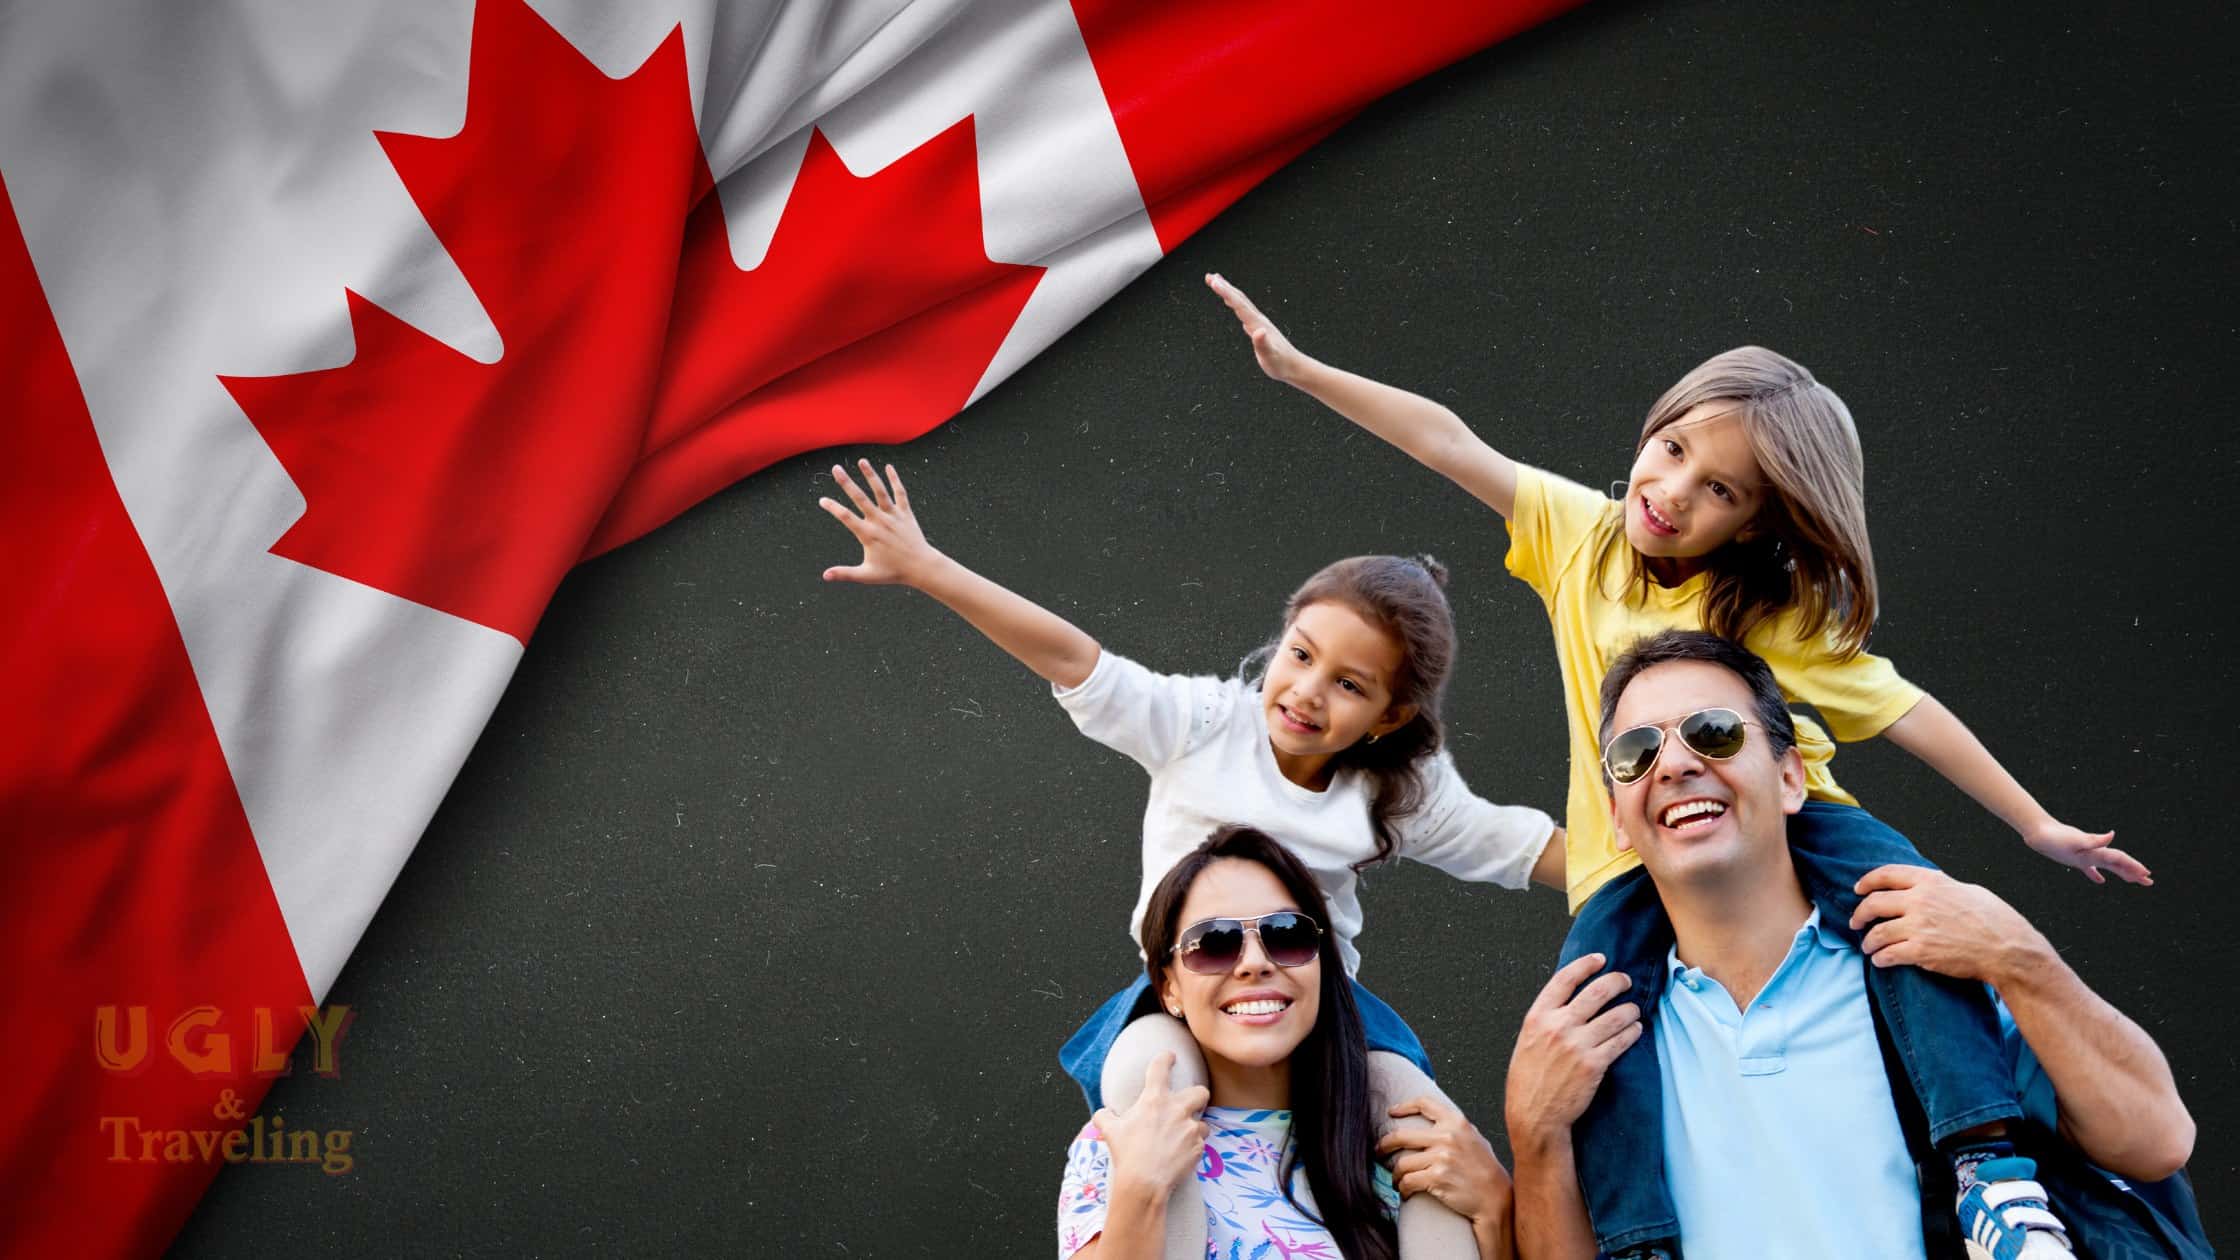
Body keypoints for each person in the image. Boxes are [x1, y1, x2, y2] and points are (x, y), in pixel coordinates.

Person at [1207, 275, 2144, 1256]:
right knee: (1589, 1035)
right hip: (1627, 853)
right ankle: (1641, 1241)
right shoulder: (1581, 539)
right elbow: (1449, 442)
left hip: (1794, 827)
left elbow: (1907, 712)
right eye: (1670, 451)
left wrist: (2033, 823)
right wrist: (1303, 371)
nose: (1671, 493)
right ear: (1650, 432)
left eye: (1719, 491)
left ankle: (1986, 1171)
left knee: (1915, 926)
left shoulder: (1763, 616)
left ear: (1753, 523)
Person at [817, 460, 1563, 1257]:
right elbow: (1077, 662)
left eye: (1348, 684)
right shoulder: (1206, 723)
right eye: (1301, 655)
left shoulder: (1398, 791)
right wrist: (930, 569)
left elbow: (1527, 846)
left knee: (1428, 1132)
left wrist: (1664, 838)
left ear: (1391, 714)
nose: (1308, 692)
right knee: (1150, 1094)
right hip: (1185, 991)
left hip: (1330, 1006)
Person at [1501, 631, 2200, 1259]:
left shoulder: (1923, 970)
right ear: (1618, 819)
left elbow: (2156, 1140)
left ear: (1791, 777)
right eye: (1637, 751)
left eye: (1713, 731)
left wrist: (2020, 956)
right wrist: (1532, 1135)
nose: (1676, 765)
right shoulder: (1598, 1043)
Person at [1060, 825, 1516, 1260]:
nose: (1254, 963)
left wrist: (1494, 1207)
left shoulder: (1399, 1149)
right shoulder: (1117, 1142)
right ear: (1169, 988)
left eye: (1287, 935)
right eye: (1215, 943)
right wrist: (1141, 1185)